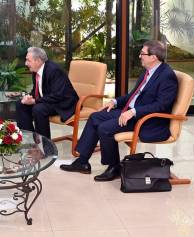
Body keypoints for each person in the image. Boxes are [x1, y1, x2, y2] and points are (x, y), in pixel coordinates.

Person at [60, 40, 178, 181]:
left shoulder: (167, 76)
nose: (140, 56)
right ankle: (82, 162)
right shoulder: (148, 71)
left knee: (105, 128)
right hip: (131, 113)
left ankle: (114, 167)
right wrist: (115, 102)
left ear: (154, 57)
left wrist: (133, 112)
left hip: (147, 120)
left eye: (142, 53)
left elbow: (161, 105)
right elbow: (134, 95)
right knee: (95, 117)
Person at [15, 47, 79, 139]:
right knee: (20, 104)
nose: (26, 63)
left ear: (38, 60)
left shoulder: (54, 70)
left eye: (28, 60)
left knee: (39, 109)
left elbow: (58, 95)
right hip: (49, 99)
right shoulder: (36, 69)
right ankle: (29, 140)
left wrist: (35, 101)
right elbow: (38, 89)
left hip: (63, 103)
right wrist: (29, 97)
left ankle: (45, 145)